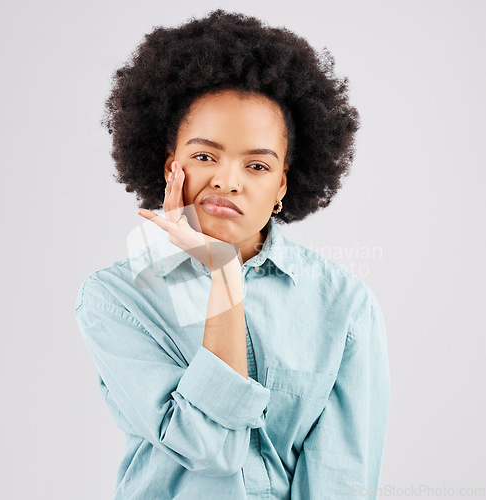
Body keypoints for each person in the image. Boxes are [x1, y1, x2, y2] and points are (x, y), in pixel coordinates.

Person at [74, 9, 390, 500]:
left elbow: (342, 478)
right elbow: (209, 448)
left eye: (258, 165)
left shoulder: (343, 305)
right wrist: (221, 273)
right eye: (204, 156)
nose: (227, 180)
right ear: (170, 165)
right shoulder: (116, 299)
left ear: (282, 182)